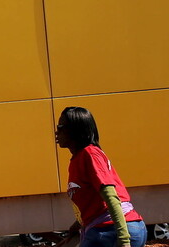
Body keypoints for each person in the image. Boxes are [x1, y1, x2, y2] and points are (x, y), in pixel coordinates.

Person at [55, 106, 146, 247]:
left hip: (112, 230)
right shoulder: (79, 159)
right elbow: (95, 204)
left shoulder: (90, 154)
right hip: (107, 229)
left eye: (61, 126)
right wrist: (76, 227)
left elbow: (111, 197)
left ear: (75, 130)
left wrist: (124, 240)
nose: (57, 132)